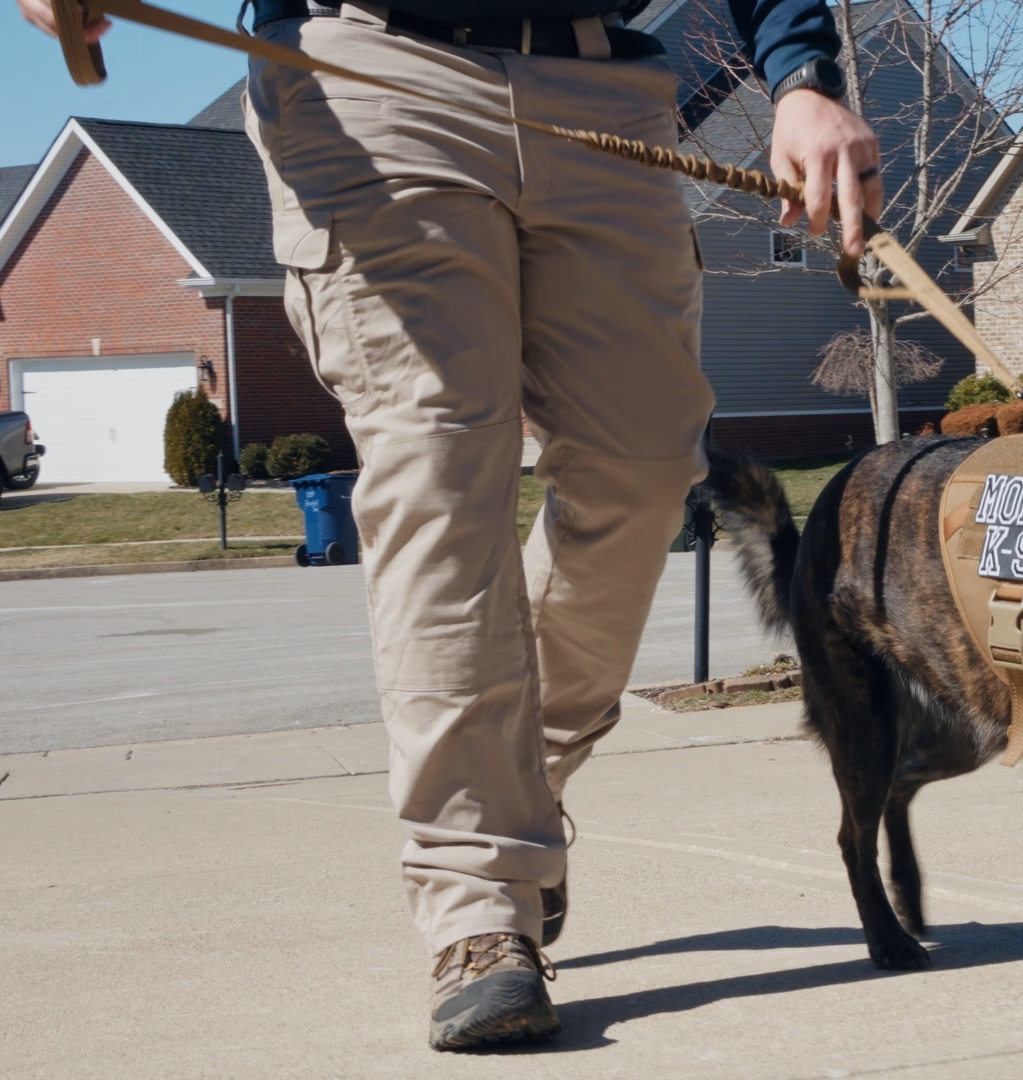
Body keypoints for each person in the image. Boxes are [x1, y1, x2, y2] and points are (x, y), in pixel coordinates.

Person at [18, 0, 879, 1051]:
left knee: (646, 466)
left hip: (604, 83)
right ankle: (480, 908)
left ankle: (530, 772)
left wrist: (801, 79)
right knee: (437, 475)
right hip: (372, 74)